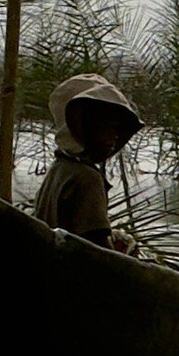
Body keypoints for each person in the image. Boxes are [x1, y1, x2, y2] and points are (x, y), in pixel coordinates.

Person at [34, 73, 143, 251]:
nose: (114, 136)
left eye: (116, 128)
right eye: (105, 126)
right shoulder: (87, 177)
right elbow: (99, 252)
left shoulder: (61, 167)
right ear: (83, 125)